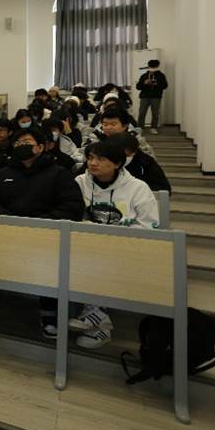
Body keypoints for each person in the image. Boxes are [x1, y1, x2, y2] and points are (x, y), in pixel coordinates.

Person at [0, 126, 84, 334]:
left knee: (55, 259)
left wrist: (40, 223)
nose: (21, 146)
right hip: (8, 233)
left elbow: (72, 207)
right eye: (18, 143)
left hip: (47, 236)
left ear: (40, 147)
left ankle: (49, 309)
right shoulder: (2, 174)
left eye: (27, 143)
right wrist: (8, 219)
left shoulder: (59, 174)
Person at [71, 140, 160, 348]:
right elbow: (70, 214)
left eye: (101, 159)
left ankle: (94, 314)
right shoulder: (79, 182)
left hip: (124, 247)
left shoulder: (138, 188)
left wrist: (111, 238)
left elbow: (149, 226)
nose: (93, 163)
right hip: (85, 245)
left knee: (100, 261)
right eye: (90, 158)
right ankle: (97, 317)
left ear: (118, 163)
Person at [108, 132, 172, 194]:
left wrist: (134, 190)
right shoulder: (104, 161)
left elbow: (163, 188)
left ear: (134, 152)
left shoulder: (146, 162)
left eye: (124, 155)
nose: (119, 159)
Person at [136, 59, 168, 133]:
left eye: (154, 67)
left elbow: (165, 86)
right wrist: (144, 83)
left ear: (157, 66)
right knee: (142, 112)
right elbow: (138, 87)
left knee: (155, 113)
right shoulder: (144, 76)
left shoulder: (161, 75)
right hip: (144, 96)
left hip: (156, 96)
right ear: (149, 66)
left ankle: (154, 127)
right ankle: (140, 127)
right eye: (151, 66)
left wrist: (157, 84)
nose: (153, 68)